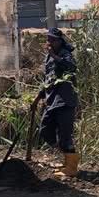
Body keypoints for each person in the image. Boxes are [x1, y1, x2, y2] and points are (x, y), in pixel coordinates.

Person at [34, 27, 79, 177]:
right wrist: (37, 98)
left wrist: (54, 55)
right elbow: (47, 79)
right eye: (48, 39)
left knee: (65, 135)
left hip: (65, 100)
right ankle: (65, 157)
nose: (49, 42)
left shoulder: (65, 54)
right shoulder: (48, 57)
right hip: (52, 100)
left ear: (59, 41)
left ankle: (71, 167)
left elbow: (71, 67)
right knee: (45, 129)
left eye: (52, 40)